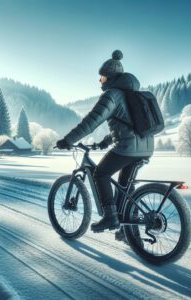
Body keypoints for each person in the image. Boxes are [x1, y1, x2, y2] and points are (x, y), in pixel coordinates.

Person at [56, 49, 154, 234]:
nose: (99, 81)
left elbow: (91, 121)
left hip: (128, 148)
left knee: (100, 174)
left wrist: (68, 140)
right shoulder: (132, 94)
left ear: (109, 77)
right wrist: (106, 142)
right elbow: (129, 126)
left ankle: (110, 217)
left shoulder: (112, 95)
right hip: (146, 147)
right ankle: (128, 233)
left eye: (101, 77)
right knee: (124, 187)